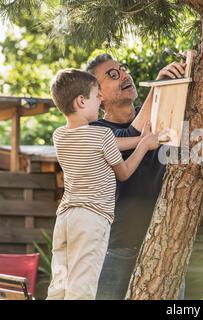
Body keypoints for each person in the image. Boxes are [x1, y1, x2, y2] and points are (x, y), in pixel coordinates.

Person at [46, 68, 163, 300]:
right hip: (92, 220)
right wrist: (143, 146)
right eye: (95, 95)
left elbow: (108, 144)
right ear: (81, 101)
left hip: (66, 218)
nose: (100, 99)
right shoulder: (102, 137)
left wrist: (140, 138)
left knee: (60, 283)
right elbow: (124, 173)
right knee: (84, 287)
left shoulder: (59, 135)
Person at [87, 54, 187, 300]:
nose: (124, 75)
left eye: (123, 69)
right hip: (116, 250)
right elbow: (132, 135)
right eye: (112, 74)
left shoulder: (157, 115)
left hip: (165, 246)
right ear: (97, 94)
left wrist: (185, 68)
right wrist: (159, 87)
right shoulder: (95, 132)